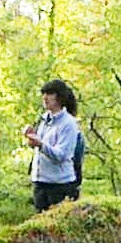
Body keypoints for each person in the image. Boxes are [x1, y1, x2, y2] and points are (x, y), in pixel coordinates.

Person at [24, 79, 81, 212]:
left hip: (60, 185)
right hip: (40, 183)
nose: (45, 98)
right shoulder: (44, 119)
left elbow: (61, 155)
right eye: (44, 94)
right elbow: (39, 147)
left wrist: (40, 144)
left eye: (49, 94)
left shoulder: (68, 123)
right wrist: (31, 138)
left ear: (59, 97)